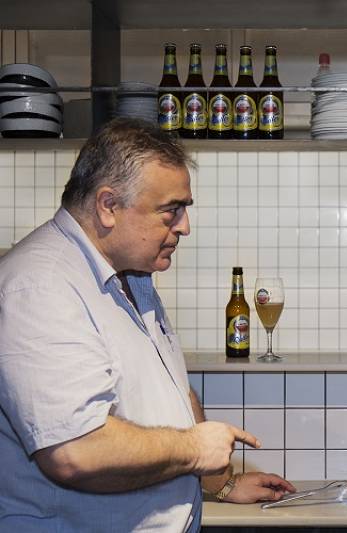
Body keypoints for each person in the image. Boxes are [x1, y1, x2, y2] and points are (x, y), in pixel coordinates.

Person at [0, 118, 295, 532]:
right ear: (108, 206)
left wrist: (220, 483)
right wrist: (194, 449)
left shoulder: (131, 274)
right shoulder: (40, 286)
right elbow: (76, 450)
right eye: (170, 211)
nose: (184, 227)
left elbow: (166, 384)